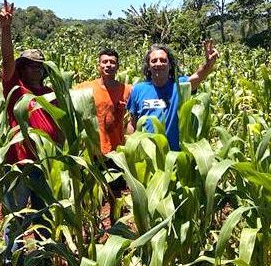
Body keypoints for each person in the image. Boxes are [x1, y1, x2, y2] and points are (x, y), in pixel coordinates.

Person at [0, 0, 58, 266]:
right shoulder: (16, 88)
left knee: (44, 214)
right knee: (16, 214)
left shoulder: (51, 93)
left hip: (46, 164)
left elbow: (61, 127)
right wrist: (6, 28)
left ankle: (43, 261)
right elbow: (7, 59)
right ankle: (12, 261)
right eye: (29, 65)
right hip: (20, 165)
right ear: (21, 68)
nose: (34, 69)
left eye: (38, 65)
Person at [126, 41, 220, 151]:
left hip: (175, 157)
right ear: (148, 66)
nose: (158, 64)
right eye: (154, 61)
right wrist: (130, 148)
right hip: (148, 156)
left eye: (163, 60)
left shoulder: (181, 86)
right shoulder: (138, 90)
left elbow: (199, 76)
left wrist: (209, 64)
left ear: (170, 65)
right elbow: (132, 123)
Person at [75, 49, 131, 197]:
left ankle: (115, 220)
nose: (108, 65)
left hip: (115, 152)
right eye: (104, 62)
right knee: (91, 195)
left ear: (118, 66)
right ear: (98, 66)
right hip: (92, 152)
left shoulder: (127, 90)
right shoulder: (84, 88)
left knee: (115, 194)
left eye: (112, 62)